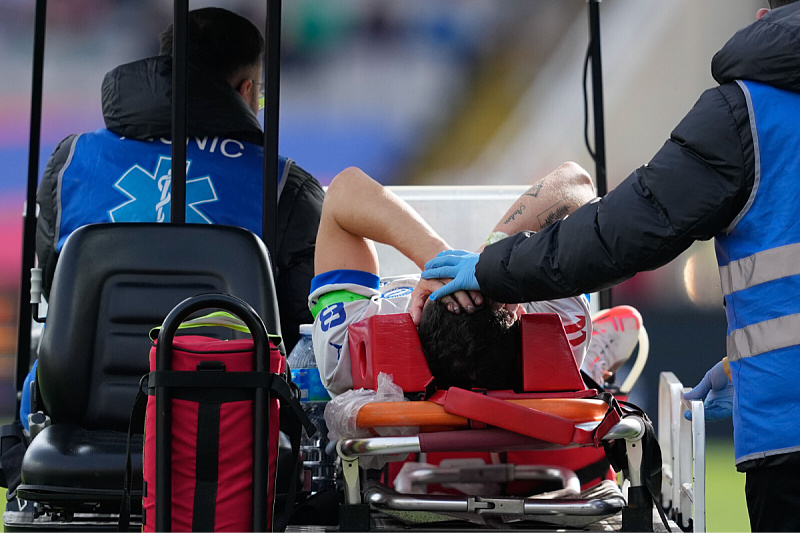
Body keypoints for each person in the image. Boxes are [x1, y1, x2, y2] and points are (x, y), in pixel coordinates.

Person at [421, 2, 800, 530]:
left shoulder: (749, 114)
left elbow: (623, 231)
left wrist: (492, 264)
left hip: (790, 426)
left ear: (764, 18)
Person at [26, 7, 324, 430]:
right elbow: (299, 332)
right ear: (246, 91)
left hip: (83, 420)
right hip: (223, 429)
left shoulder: (71, 161)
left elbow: (57, 289)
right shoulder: (283, 186)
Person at [307, 163, 639, 397]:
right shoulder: (563, 326)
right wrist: (489, 259)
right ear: (518, 310)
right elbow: (576, 181)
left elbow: (342, 191)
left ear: (415, 316)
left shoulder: (348, 353)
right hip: (544, 410)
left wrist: (439, 261)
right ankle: (587, 374)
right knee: (575, 365)